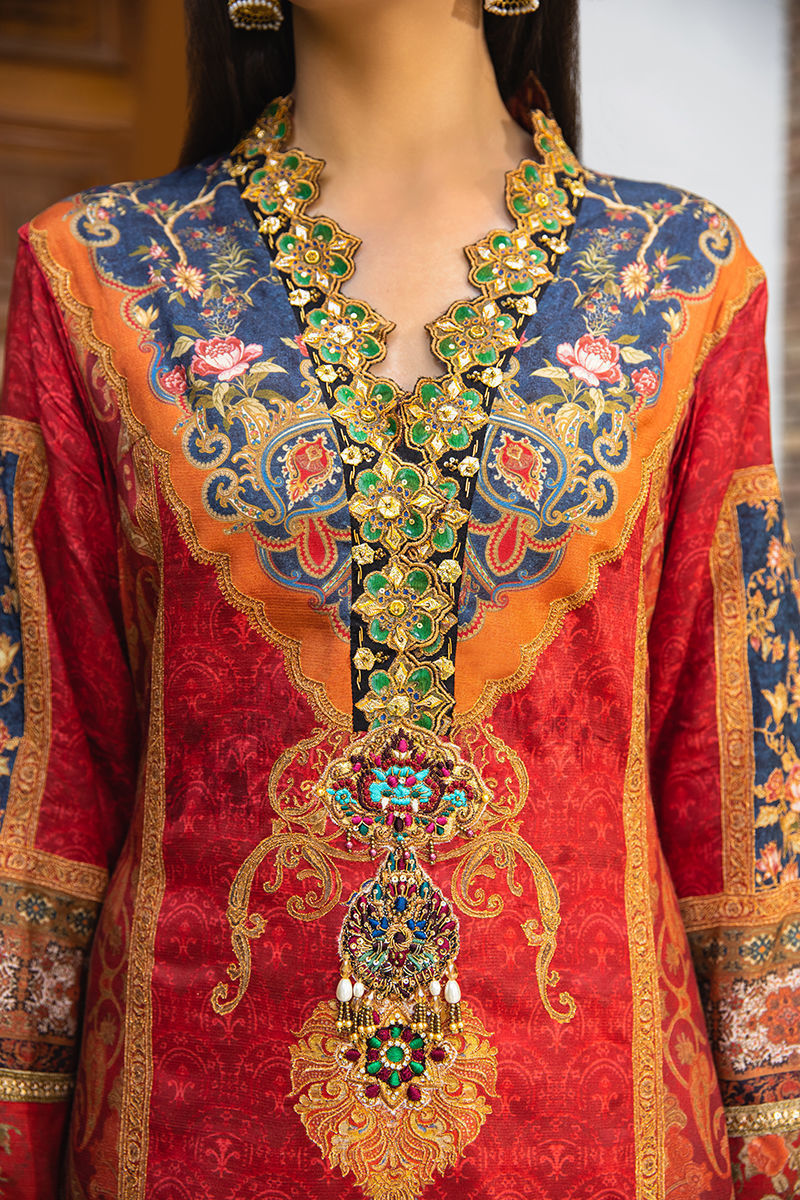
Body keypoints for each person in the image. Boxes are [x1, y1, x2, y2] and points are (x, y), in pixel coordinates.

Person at [0, 0, 797, 1195]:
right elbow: (40, 790)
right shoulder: (101, 273)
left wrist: (773, 1143)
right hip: (197, 1137)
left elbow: (737, 776)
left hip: (592, 1136)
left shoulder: (679, 277)